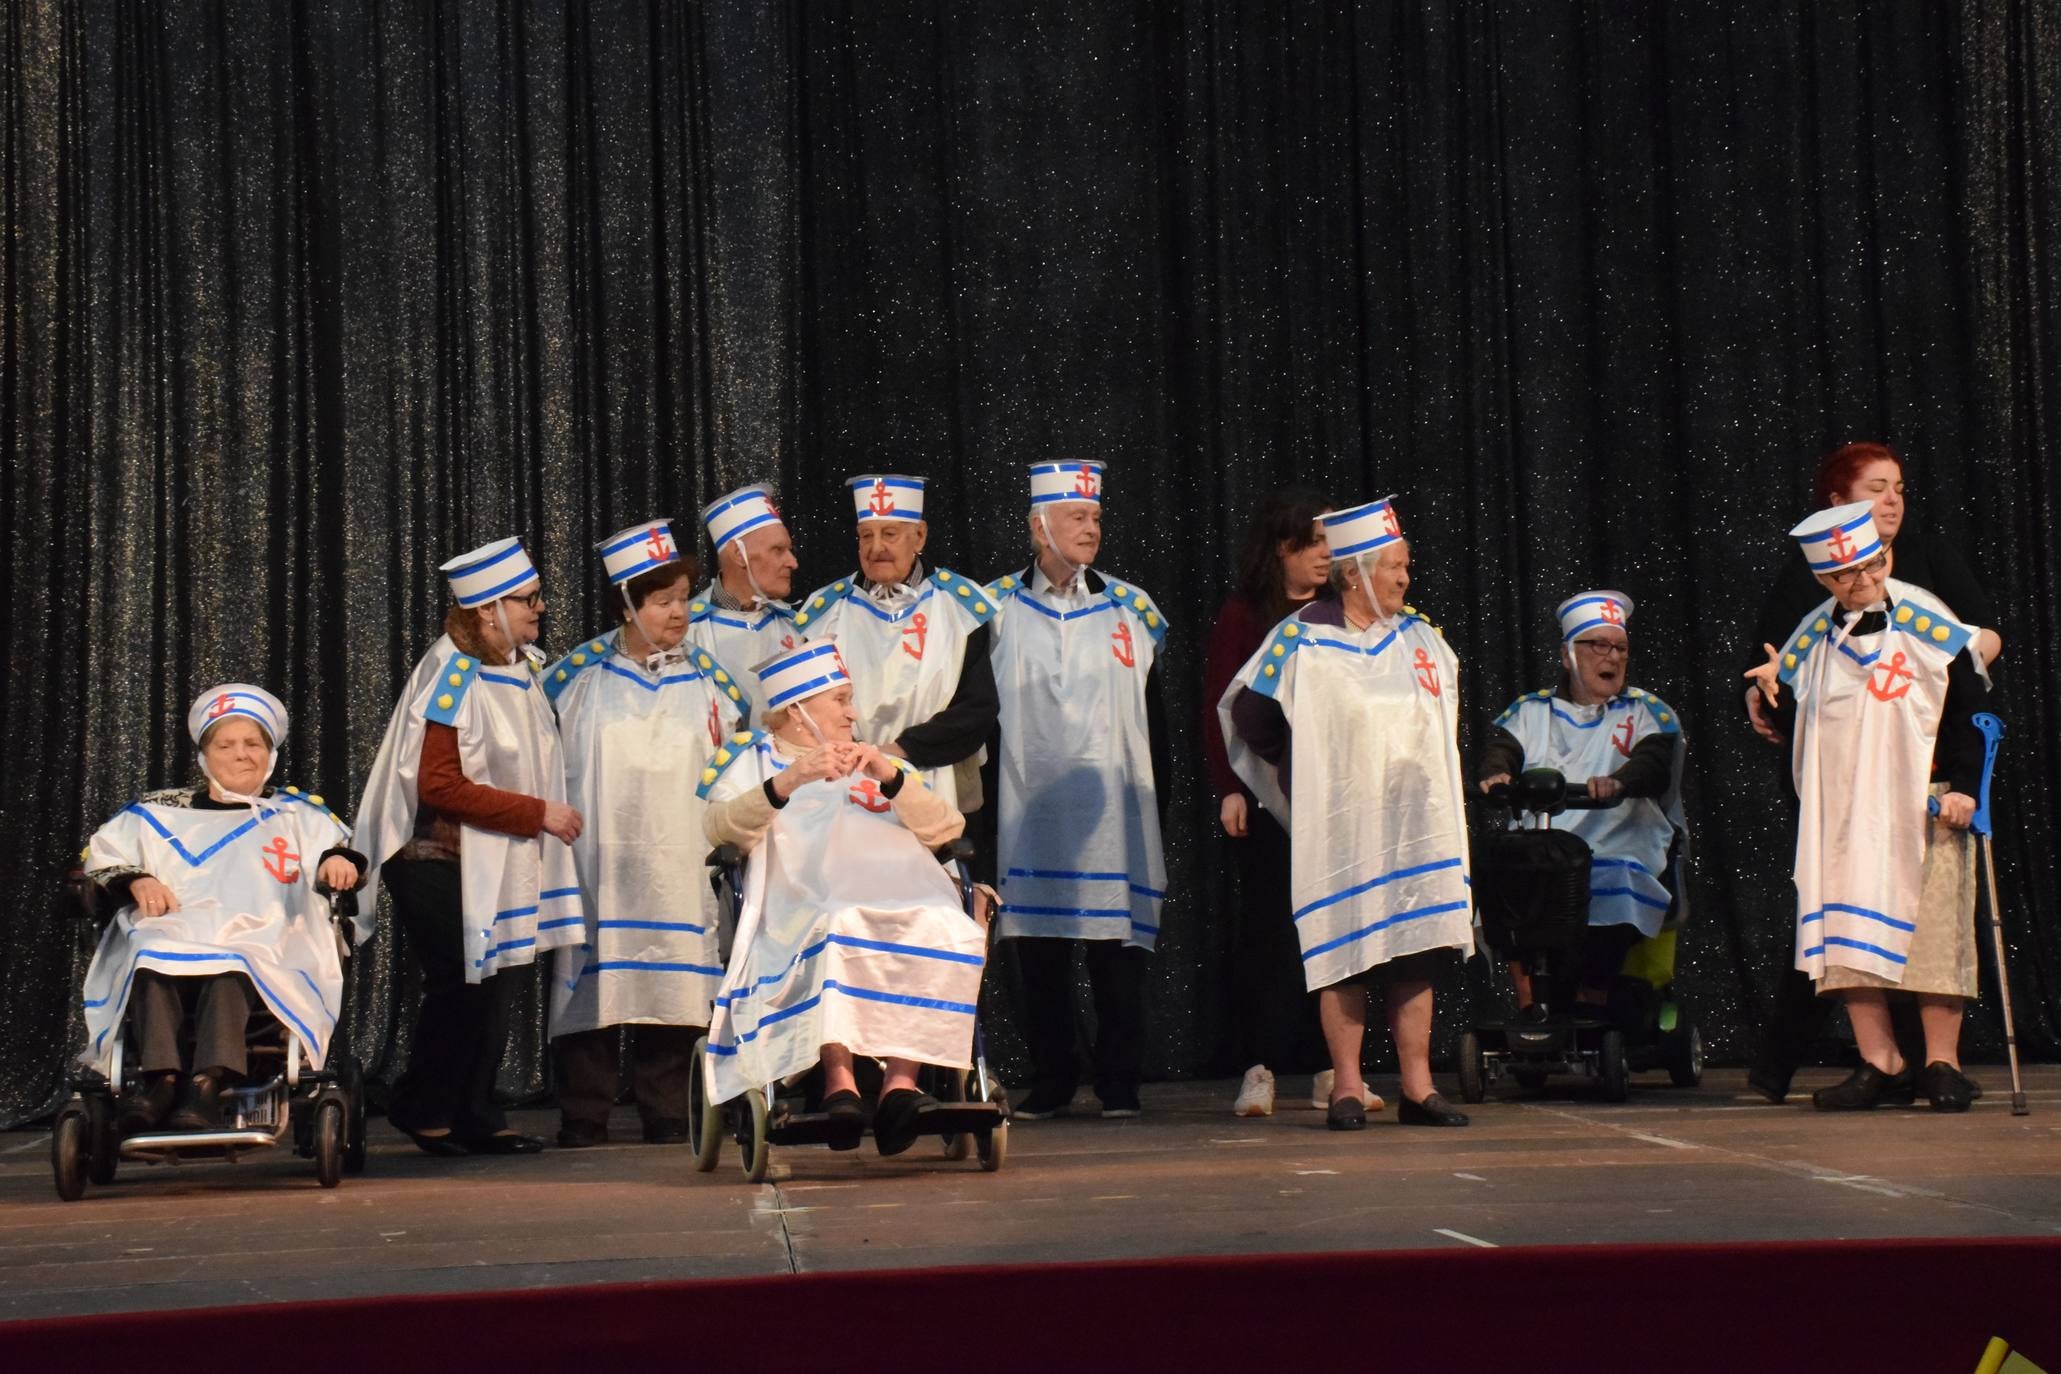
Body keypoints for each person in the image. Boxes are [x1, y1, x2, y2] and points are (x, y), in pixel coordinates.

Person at [1743, 441, 2003, 1102]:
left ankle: (1939, 1063)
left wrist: (1968, 788)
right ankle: (1879, 1059)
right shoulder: (1813, 626)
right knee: (1844, 928)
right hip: (1844, 803)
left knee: (1932, 923)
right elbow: (1779, 672)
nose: (1858, 583)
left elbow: (1972, 694)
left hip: (1925, 789)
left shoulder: (1923, 613)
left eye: (1868, 569)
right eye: (1843, 576)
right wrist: (1766, 686)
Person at [1222, 496, 1473, 1130]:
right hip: (1341, 830)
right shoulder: (1301, 638)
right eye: (1392, 566)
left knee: (1414, 952)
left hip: (1413, 828)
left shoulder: (1421, 638)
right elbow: (1249, 714)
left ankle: (1418, 1088)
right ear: (1355, 572)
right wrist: (1300, 770)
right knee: (1347, 952)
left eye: (1406, 565)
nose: (1403, 578)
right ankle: (1348, 1088)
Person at [698, 643, 986, 1156]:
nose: (854, 712)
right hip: (804, 897)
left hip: (897, 888)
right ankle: (839, 1085)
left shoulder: (873, 760)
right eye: (842, 700)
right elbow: (718, 828)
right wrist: (790, 780)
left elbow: (949, 829)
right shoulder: (754, 759)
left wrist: (891, 777)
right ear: (798, 710)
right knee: (838, 921)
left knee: (941, 920)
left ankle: (901, 1084)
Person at [354, 537, 586, 1155]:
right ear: (487, 610)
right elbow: (439, 785)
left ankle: (475, 1112)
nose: (540, 608)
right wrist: (538, 814)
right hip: (434, 857)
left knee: (501, 979)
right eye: (528, 599)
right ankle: (422, 1105)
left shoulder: (522, 666)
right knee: (461, 982)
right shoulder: (453, 673)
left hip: (494, 855)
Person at [79, 685, 370, 1132]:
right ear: (205, 755)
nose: (241, 755)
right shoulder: (155, 814)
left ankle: (206, 1085)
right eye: (226, 745)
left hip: (263, 938)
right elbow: (100, 858)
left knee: (234, 958)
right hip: (174, 930)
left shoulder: (298, 815)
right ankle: (161, 1082)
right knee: (149, 951)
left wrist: (336, 860)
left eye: (253, 744)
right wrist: (136, 879)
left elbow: (342, 852)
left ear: (270, 753)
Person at [543, 519, 749, 1148]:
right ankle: (585, 1111)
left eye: (685, 598)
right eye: (663, 601)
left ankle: (667, 1107)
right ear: (629, 604)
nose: (679, 613)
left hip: (680, 854)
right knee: (594, 982)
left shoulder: (712, 682)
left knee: (676, 981)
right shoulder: (575, 681)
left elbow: (735, 763)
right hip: (600, 854)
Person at [986, 460, 1169, 1120]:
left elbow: (1154, 717)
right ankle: (1052, 1077)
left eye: (1096, 518)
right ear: (1039, 526)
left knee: (1116, 951)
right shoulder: (997, 609)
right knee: (1038, 951)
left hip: (1114, 807)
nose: (1091, 528)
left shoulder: (1130, 607)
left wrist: (1156, 799)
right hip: (1029, 805)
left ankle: (1121, 1080)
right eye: (1077, 517)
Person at [1476, 590, 1687, 1019]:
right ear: (1569, 654)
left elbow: (1653, 762)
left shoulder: (1648, 713)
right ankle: (1532, 1005)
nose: (1612, 657)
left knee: (1611, 886)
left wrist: (1620, 782)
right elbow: (1503, 749)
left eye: (1620, 648)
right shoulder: (1532, 712)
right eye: (1600, 646)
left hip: (1620, 845)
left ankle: (1592, 997)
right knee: (1509, 883)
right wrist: (1497, 774)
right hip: (1544, 851)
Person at [1201, 486, 1341, 1118]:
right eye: (1308, 543)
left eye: (1327, 544)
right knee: (1265, 935)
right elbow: (1220, 709)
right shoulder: (1245, 614)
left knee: (1332, 932)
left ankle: (1328, 1066)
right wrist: (1230, 786)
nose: (1322, 556)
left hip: (1332, 801)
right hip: (1264, 798)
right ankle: (1258, 1069)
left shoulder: (1340, 613)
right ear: (1279, 549)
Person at [789, 474, 999, 813]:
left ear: (919, 536)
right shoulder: (823, 613)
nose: (876, 548)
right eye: (866, 536)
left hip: (931, 780)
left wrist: (894, 752)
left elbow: (977, 710)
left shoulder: (961, 608)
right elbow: (806, 710)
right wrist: (855, 755)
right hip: (843, 780)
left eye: (889, 534)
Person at [690, 483, 801, 716]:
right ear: (739, 555)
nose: (793, 562)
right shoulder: (686, 634)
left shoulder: (796, 627)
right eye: (778, 550)